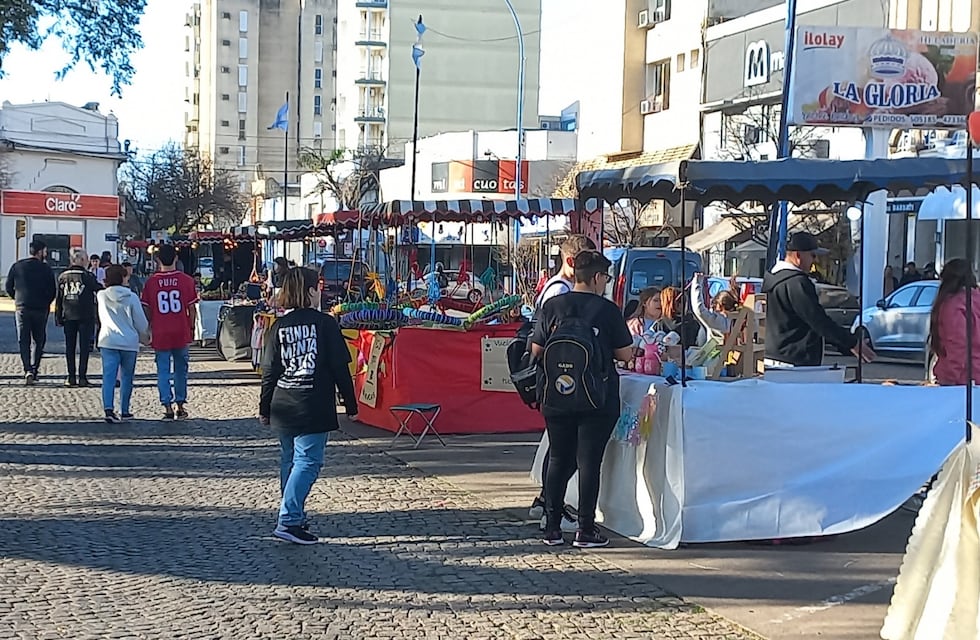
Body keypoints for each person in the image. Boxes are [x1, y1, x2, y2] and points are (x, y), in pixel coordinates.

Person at [531, 250, 634, 548]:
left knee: (559, 459)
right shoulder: (607, 310)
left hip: (556, 394)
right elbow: (624, 355)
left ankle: (552, 526)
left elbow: (536, 350)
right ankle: (585, 529)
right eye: (606, 278)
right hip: (597, 397)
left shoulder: (552, 305)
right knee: (589, 462)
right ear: (598, 277)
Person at [259, 267, 358, 545]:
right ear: (312, 291)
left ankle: (294, 513)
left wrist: (264, 408)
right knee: (308, 462)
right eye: (319, 288)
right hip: (312, 403)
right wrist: (350, 403)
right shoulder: (325, 324)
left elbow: (269, 371)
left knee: (290, 461)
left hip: (283, 401)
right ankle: (289, 520)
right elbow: (340, 367)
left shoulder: (278, 326)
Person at [527, 234, 596, 530]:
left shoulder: (560, 289)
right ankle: (548, 504)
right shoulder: (559, 291)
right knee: (560, 451)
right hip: (561, 377)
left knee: (558, 448)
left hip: (562, 377)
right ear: (571, 262)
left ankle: (547, 503)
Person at [762, 232, 875, 367]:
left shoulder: (772, 279)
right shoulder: (797, 283)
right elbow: (818, 321)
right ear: (798, 256)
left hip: (772, 355)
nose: (814, 260)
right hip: (794, 360)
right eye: (812, 255)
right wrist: (852, 343)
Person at [141, 244, 199, 421]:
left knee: (163, 369)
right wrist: (191, 327)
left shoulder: (151, 282)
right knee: (181, 369)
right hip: (180, 329)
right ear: (176, 258)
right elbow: (192, 308)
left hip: (161, 330)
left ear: (158, 260)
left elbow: (147, 309)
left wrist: (152, 323)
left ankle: (166, 405)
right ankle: (180, 404)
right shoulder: (186, 280)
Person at [97, 265, 149, 423]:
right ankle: (124, 409)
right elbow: (140, 321)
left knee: (108, 377)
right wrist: (145, 335)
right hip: (128, 342)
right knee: (127, 377)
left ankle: (108, 409)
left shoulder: (101, 295)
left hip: (108, 340)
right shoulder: (132, 297)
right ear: (122, 278)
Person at [5, 240, 56, 385]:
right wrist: (46, 302)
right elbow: (53, 290)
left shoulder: (17, 266)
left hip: (22, 307)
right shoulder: (46, 268)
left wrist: (17, 298)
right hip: (40, 309)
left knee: (23, 339)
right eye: (45, 251)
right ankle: (34, 369)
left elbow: (9, 286)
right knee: (39, 340)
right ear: (40, 252)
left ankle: (27, 368)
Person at [929, 259, 980, 386]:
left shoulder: (953, 306)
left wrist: (948, 378)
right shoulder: (975, 300)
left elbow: (957, 347)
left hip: (963, 380)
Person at [56, 248, 102, 387]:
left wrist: (58, 315)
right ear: (81, 260)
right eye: (86, 259)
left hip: (68, 314)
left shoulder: (62, 276)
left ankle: (71, 377)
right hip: (85, 315)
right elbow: (98, 289)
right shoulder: (87, 276)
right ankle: (82, 376)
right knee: (83, 348)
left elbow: (59, 298)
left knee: (69, 348)